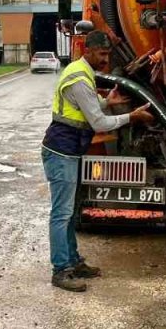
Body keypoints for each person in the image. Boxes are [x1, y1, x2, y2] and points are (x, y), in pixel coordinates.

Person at [42, 30, 154, 292]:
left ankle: (73, 261)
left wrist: (106, 101)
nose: (106, 60)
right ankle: (61, 271)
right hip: (61, 152)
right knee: (61, 214)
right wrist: (132, 117)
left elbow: (85, 106)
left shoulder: (82, 71)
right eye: (102, 54)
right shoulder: (80, 77)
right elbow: (99, 122)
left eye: (107, 54)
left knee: (70, 213)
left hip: (70, 151)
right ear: (87, 50)